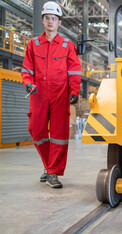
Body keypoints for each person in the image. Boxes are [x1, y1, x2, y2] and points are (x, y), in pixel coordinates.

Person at [22, 1, 81, 188]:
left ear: (59, 22)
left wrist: (74, 91)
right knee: (36, 130)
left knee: (59, 134)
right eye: (47, 18)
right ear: (43, 20)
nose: (50, 21)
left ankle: (53, 172)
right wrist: (28, 83)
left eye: (53, 18)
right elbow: (27, 68)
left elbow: (74, 70)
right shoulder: (33, 44)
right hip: (38, 94)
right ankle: (48, 166)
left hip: (60, 94)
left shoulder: (67, 45)